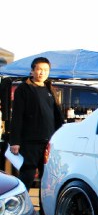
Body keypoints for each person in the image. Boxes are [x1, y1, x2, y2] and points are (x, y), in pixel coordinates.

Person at [9, 57, 64, 197]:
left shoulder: (50, 89)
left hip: (49, 142)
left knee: (47, 179)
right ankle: (20, 204)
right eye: (39, 69)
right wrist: (15, 141)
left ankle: (45, 208)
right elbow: (17, 116)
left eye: (46, 70)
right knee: (27, 175)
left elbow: (57, 116)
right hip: (30, 141)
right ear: (32, 71)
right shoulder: (23, 89)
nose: (42, 73)